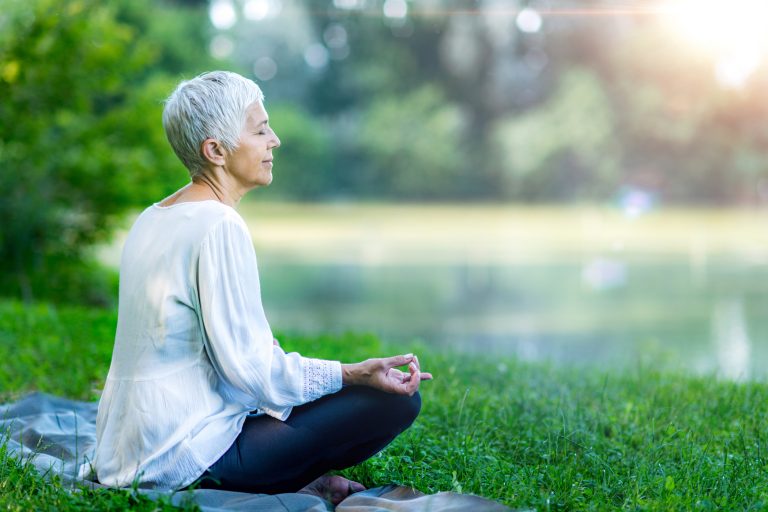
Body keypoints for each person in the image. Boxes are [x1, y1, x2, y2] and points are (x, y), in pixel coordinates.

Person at [93, 70, 432, 504]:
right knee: (395, 403)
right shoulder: (219, 225)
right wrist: (354, 373)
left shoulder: (152, 217)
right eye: (260, 130)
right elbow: (256, 374)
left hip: (128, 450)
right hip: (180, 459)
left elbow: (233, 361)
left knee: (313, 395)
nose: (274, 140)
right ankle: (285, 481)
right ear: (216, 150)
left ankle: (295, 474)